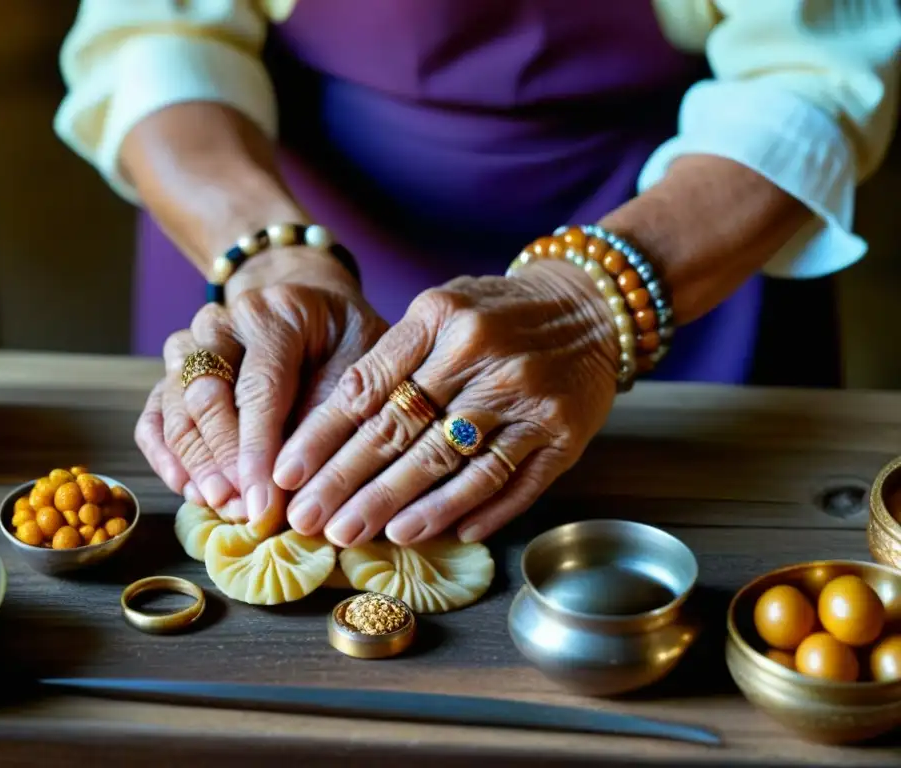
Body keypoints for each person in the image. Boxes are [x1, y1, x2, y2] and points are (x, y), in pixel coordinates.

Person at [54, 1, 901, 549]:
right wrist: (267, 256)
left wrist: (590, 303)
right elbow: (153, 34)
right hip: (271, 201)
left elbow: (816, 69)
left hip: (679, 229)